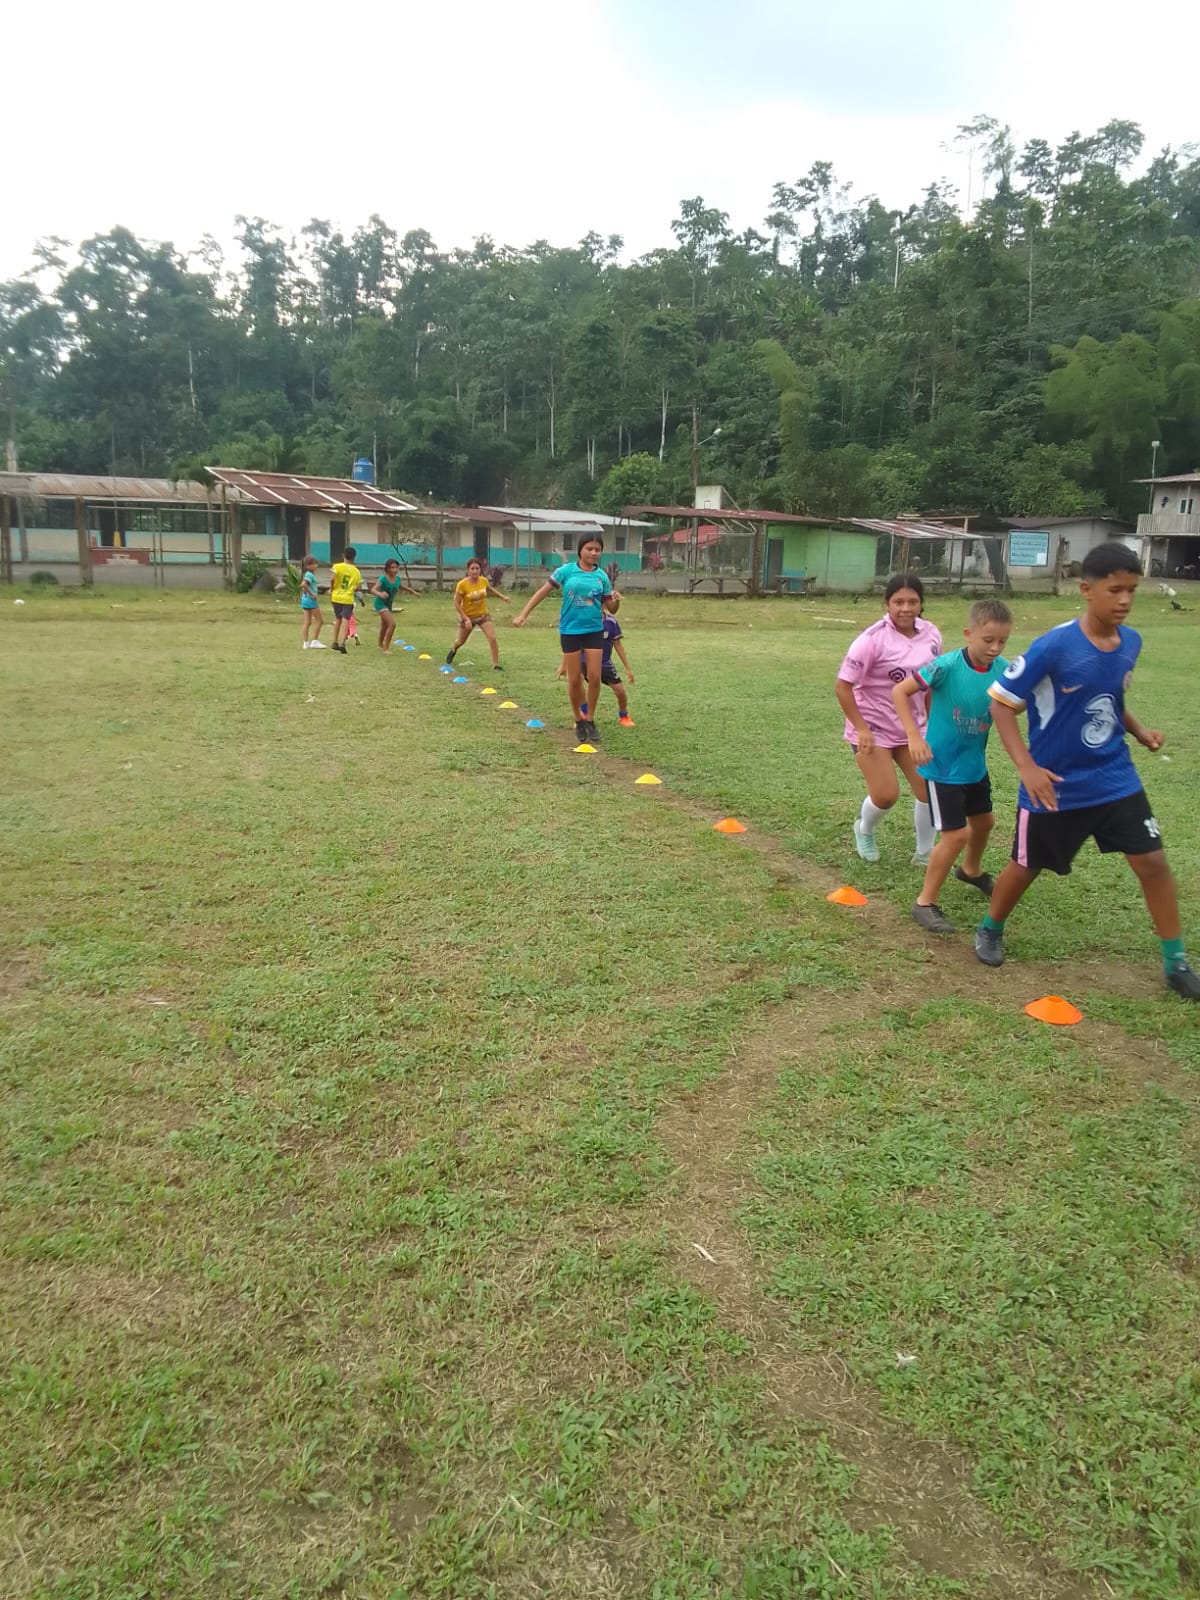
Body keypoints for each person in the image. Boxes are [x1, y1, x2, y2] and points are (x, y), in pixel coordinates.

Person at [975, 542, 1199, 1000]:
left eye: (1131, 590)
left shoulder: (1131, 642)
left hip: (1115, 777)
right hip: (1055, 784)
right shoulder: (1055, 646)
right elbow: (1000, 704)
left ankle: (1176, 962)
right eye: (1115, 590)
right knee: (1026, 866)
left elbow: (1110, 698)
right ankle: (990, 927)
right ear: (1086, 590)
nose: (1125, 600)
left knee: (1153, 863)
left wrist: (1138, 730)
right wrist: (1027, 768)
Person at [892, 599, 1013, 933]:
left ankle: (970, 871)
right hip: (942, 767)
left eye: (1002, 641)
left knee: (985, 822)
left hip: (974, 766)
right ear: (968, 634)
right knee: (955, 835)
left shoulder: (1004, 670)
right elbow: (900, 692)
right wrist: (914, 737)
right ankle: (924, 902)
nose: (995, 648)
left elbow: (1019, 701)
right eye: (988, 640)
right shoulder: (945, 666)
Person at [835, 573, 943, 865]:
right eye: (898, 602)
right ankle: (864, 829)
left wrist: (933, 724)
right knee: (885, 795)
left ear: (921, 604)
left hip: (912, 729)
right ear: (887, 604)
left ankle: (924, 853)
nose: (906, 608)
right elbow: (843, 686)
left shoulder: (932, 634)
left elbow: (930, 683)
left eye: (912, 602)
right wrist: (861, 728)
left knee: (928, 789)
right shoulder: (871, 640)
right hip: (873, 729)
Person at [512, 534, 613, 742]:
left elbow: (611, 607)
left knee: (594, 677)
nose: (594, 553)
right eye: (589, 549)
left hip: (594, 630)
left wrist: (616, 601)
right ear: (580, 550)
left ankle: (590, 719)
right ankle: (578, 719)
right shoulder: (566, 571)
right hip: (570, 631)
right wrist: (523, 614)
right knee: (574, 680)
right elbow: (542, 592)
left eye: (597, 549)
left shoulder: (602, 576)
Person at [559, 592, 636, 726]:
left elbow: (618, 645)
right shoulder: (582, 623)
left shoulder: (611, 622)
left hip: (604, 663)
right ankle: (584, 713)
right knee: (577, 682)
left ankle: (623, 715)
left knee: (620, 692)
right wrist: (563, 665)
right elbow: (571, 646)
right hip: (583, 661)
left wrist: (628, 669)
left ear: (604, 605)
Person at [447, 558, 511, 670]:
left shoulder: (483, 581)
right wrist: (465, 618)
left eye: (477, 568)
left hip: (483, 615)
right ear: (468, 570)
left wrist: (503, 597)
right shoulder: (462, 585)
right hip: (468, 617)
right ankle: (453, 649)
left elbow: (490, 589)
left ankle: (496, 665)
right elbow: (456, 604)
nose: (475, 571)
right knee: (460, 641)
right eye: (472, 569)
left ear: (480, 570)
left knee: (492, 638)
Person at [371, 558, 419, 653]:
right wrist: (380, 594)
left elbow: (401, 586)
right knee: (392, 624)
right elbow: (373, 589)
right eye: (392, 567)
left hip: (388, 605)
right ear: (387, 569)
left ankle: (380, 644)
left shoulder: (397, 579)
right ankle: (386, 648)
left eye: (396, 567)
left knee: (385, 626)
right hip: (380, 604)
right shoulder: (383, 578)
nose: (394, 570)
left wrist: (413, 592)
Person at [329, 546, 362, 655]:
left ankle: (334, 641)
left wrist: (332, 588)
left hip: (336, 597)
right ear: (354, 557)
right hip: (348, 599)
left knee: (338, 619)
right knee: (346, 619)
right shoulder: (356, 571)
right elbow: (358, 587)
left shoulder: (337, 566)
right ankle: (343, 642)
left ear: (343, 555)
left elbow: (332, 578)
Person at [299, 555, 325, 649]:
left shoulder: (306, 574)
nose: (315, 565)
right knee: (319, 621)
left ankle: (305, 643)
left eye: (315, 563)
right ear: (307, 566)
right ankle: (314, 641)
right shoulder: (309, 574)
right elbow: (303, 584)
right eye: (313, 564)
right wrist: (312, 594)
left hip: (305, 600)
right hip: (310, 600)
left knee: (307, 622)